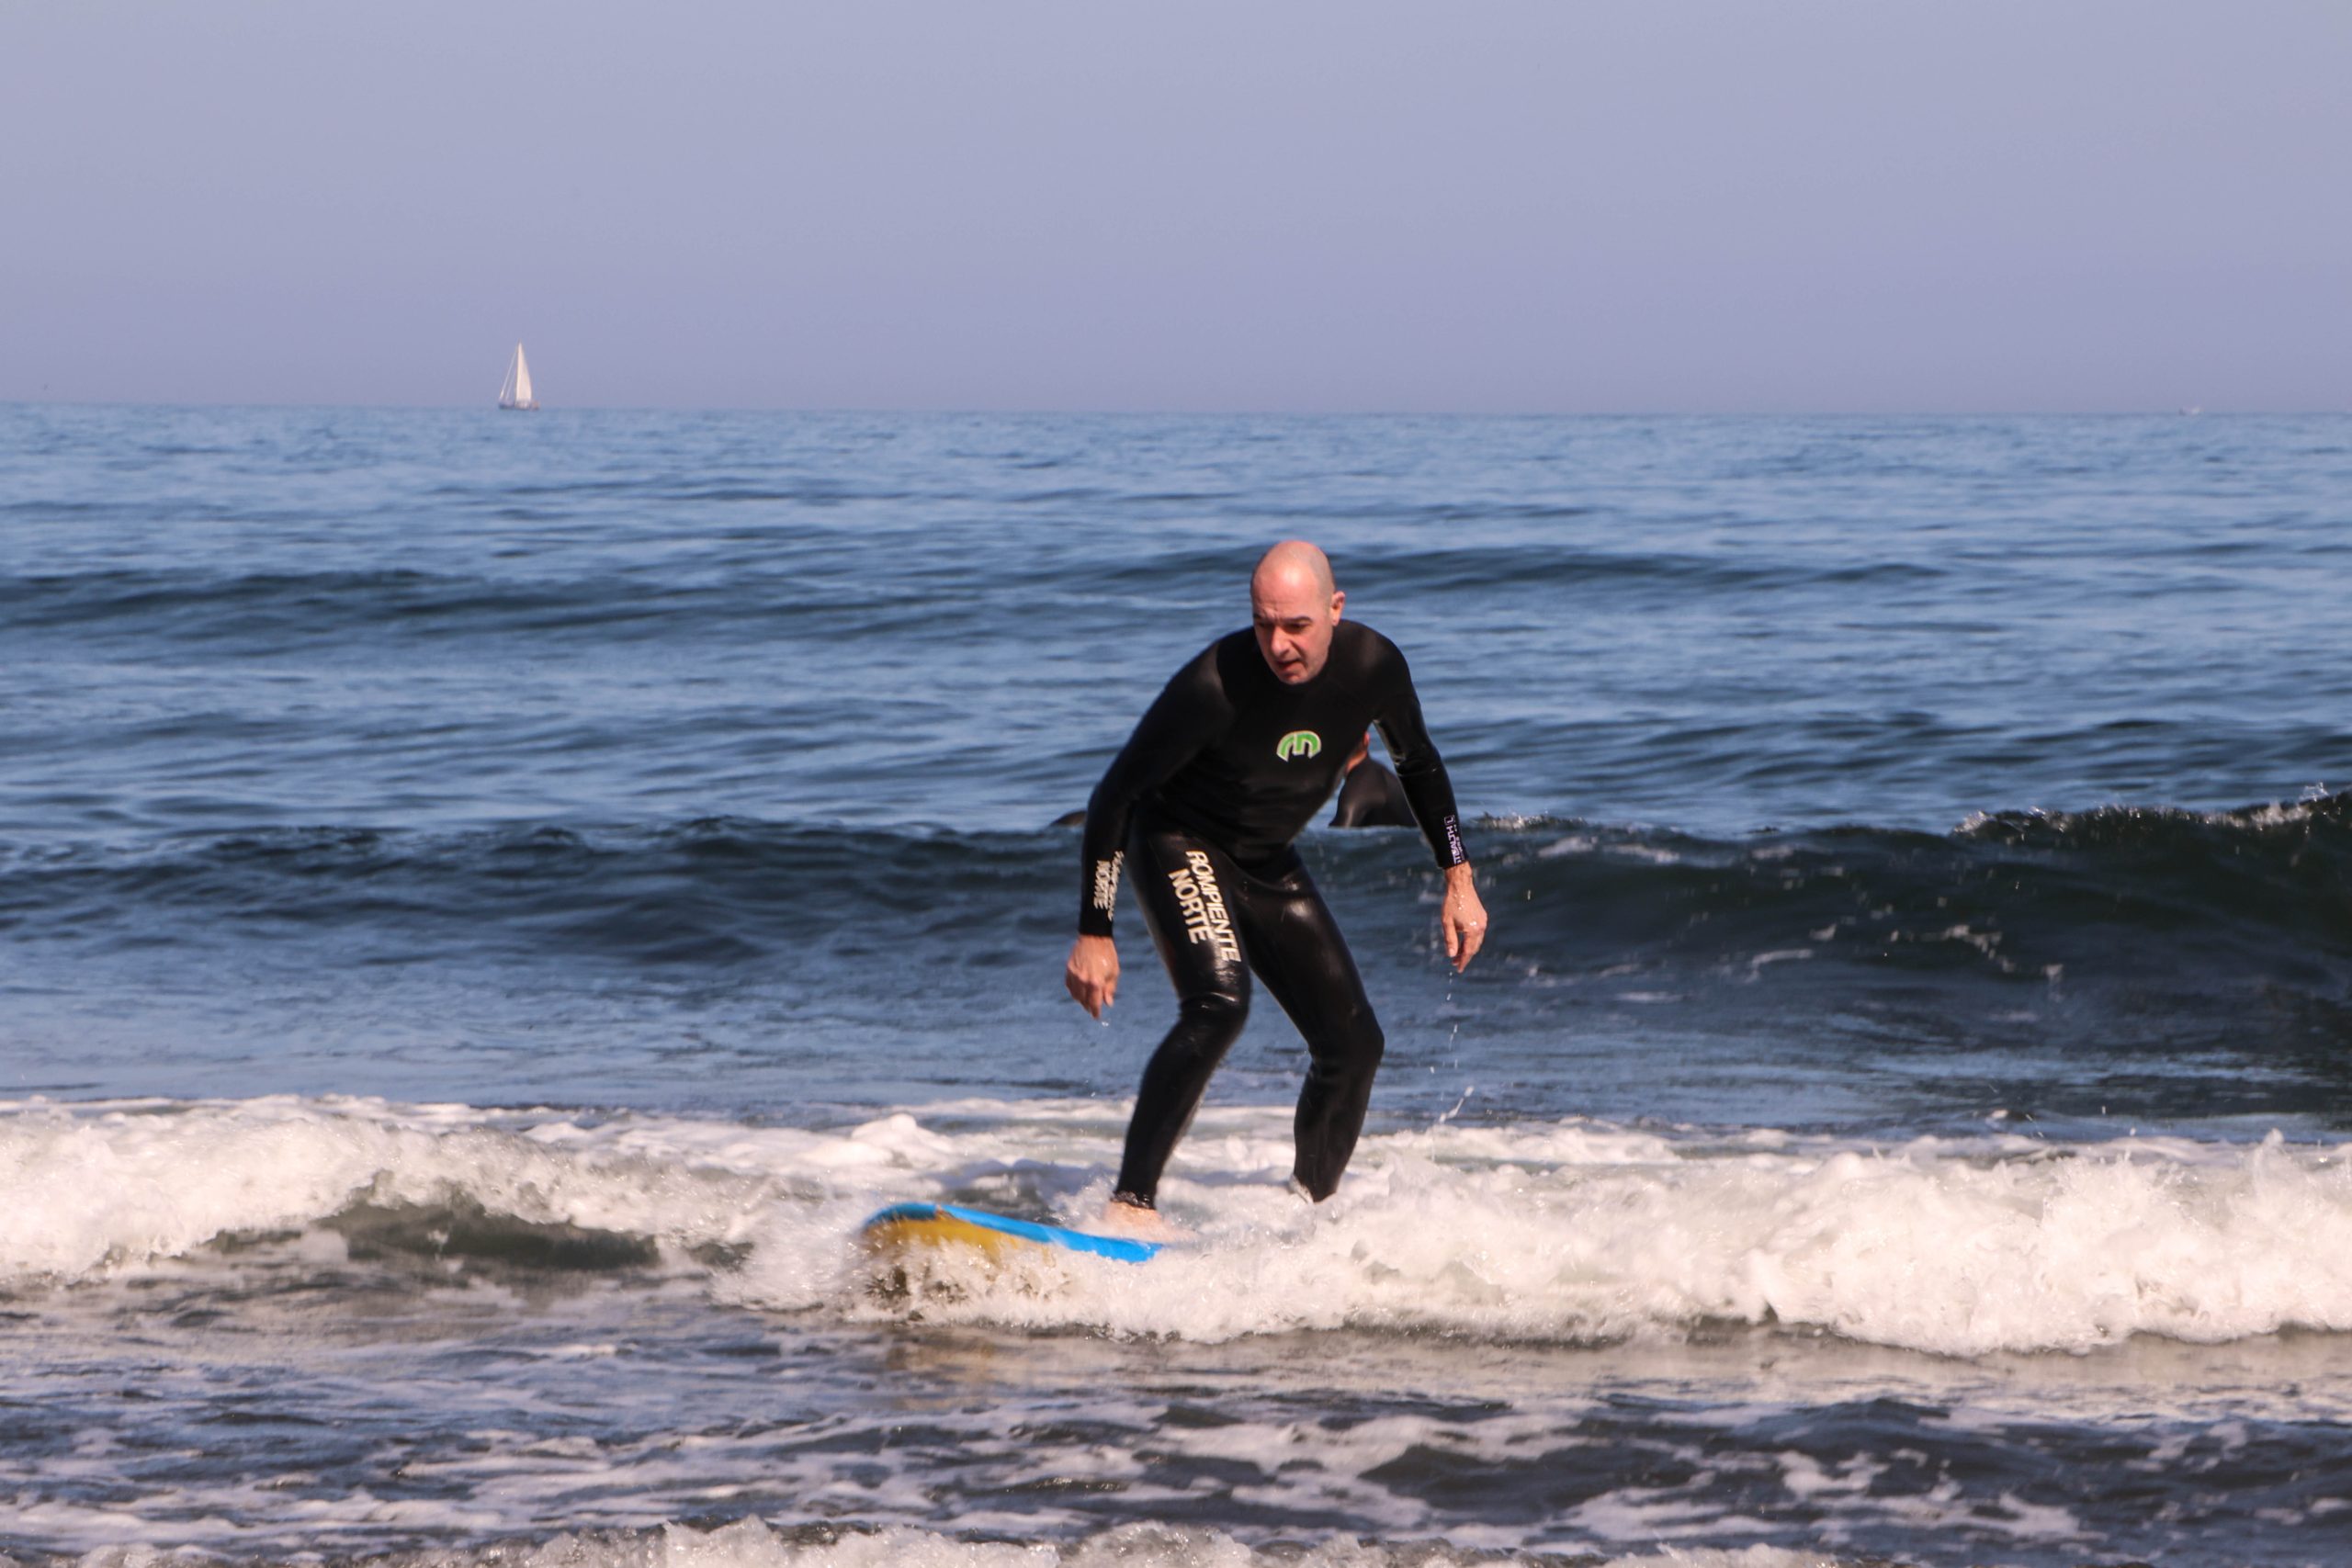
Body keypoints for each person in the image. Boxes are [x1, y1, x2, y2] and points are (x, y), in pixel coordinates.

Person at [1064, 541, 1487, 1230]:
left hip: (1264, 856)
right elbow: (1115, 793)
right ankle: (1130, 1203)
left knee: (1354, 1045)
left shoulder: (1374, 666)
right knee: (1219, 1004)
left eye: (1297, 625)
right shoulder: (1213, 685)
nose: (1280, 644)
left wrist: (1459, 879)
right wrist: (1094, 929)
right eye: (1264, 624)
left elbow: (1420, 764)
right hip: (1178, 840)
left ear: (1335, 608)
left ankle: (1308, 1209)